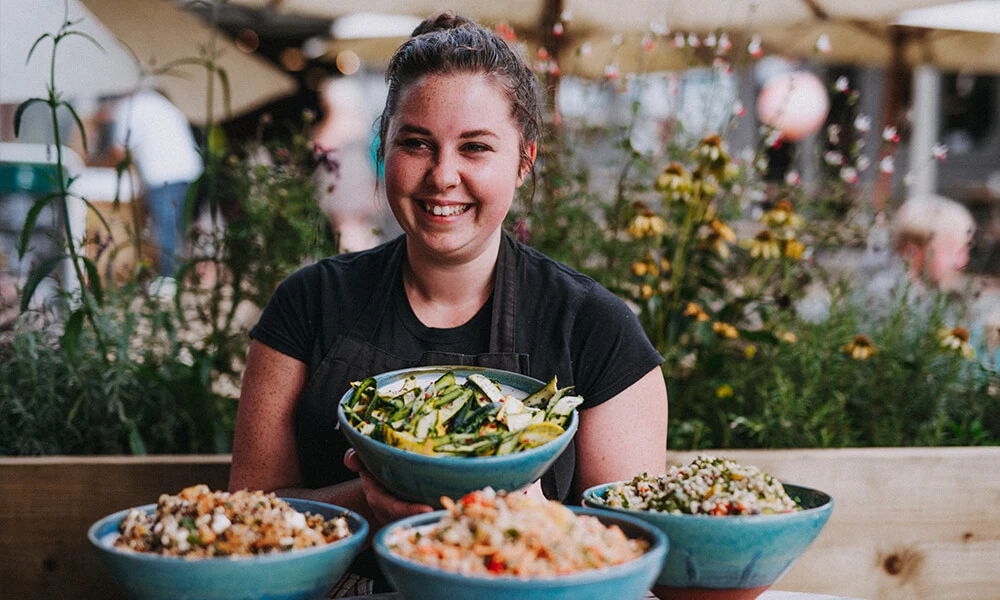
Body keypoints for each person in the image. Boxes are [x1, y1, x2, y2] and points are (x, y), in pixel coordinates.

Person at [229, 12, 668, 593]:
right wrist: (364, 502)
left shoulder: (595, 327)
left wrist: (528, 514)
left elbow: (629, 554)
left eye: (476, 148)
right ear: (384, 148)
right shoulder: (309, 304)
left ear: (523, 161)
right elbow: (248, 515)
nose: (443, 176)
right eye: (416, 143)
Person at [104, 87, 203, 292]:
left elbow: (118, 151)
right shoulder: (157, 101)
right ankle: (180, 277)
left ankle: (169, 281)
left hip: (164, 174)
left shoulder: (128, 107)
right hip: (188, 169)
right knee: (177, 227)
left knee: (165, 227)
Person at [312, 77, 397, 252]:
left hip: (347, 194)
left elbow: (320, 149)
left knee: (350, 235)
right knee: (363, 234)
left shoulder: (341, 124)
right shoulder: (363, 122)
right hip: (364, 192)